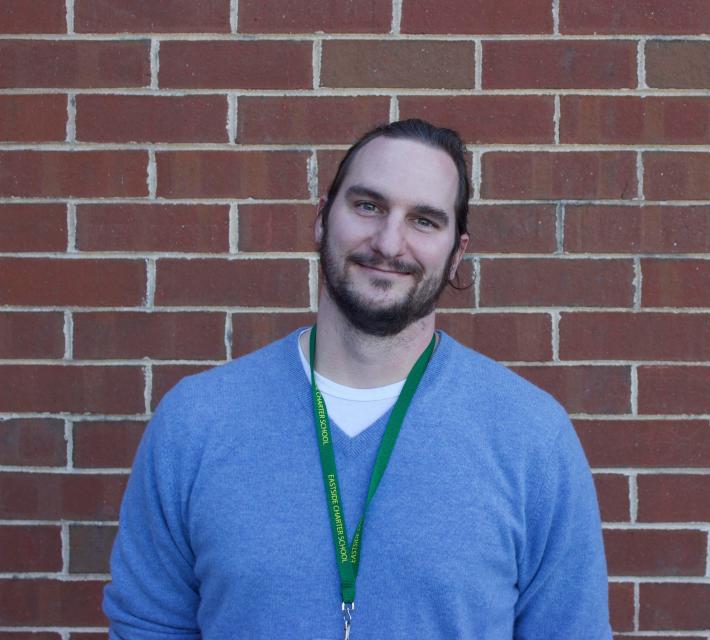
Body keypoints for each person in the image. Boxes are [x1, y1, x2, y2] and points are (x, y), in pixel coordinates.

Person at [103, 119, 611, 639]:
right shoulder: (197, 421)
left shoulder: (531, 437)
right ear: (322, 219)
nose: (390, 242)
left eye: (424, 221)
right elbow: (148, 626)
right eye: (368, 206)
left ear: (457, 253)